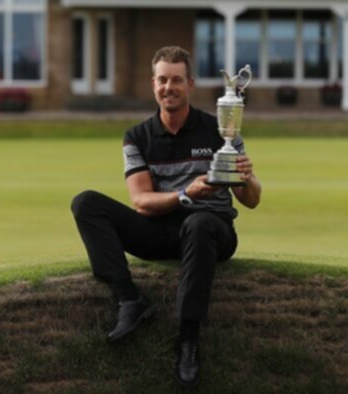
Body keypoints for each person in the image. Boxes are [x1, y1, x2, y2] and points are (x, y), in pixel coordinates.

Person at [71, 46, 261, 386]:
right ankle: (129, 300)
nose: (168, 88)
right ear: (153, 84)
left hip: (212, 233)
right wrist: (187, 193)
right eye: (162, 80)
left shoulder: (218, 128)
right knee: (86, 203)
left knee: (198, 222)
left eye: (176, 80)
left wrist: (245, 177)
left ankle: (188, 341)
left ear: (189, 84)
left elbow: (252, 201)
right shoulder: (137, 136)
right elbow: (141, 202)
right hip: (161, 231)